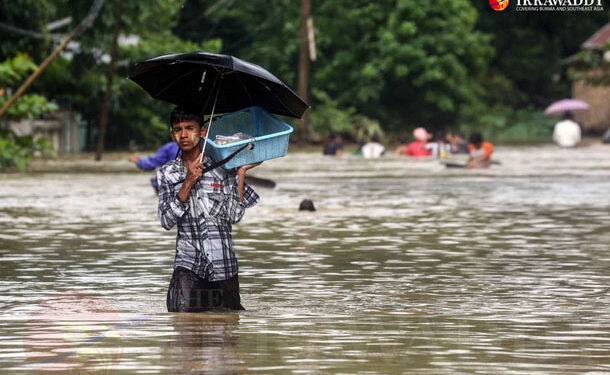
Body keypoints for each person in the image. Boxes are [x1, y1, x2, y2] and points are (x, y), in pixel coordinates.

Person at [157, 106, 260, 312]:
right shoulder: (167, 173)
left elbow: (235, 215)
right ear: (172, 133)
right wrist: (187, 183)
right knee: (183, 325)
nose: (184, 134)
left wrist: (240, 172)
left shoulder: (224, 168)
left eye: (189, 128)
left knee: (227, 327)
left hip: (224, 265)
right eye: (178, 129)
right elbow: (166, 221)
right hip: (188, 264)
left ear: (202, 132)